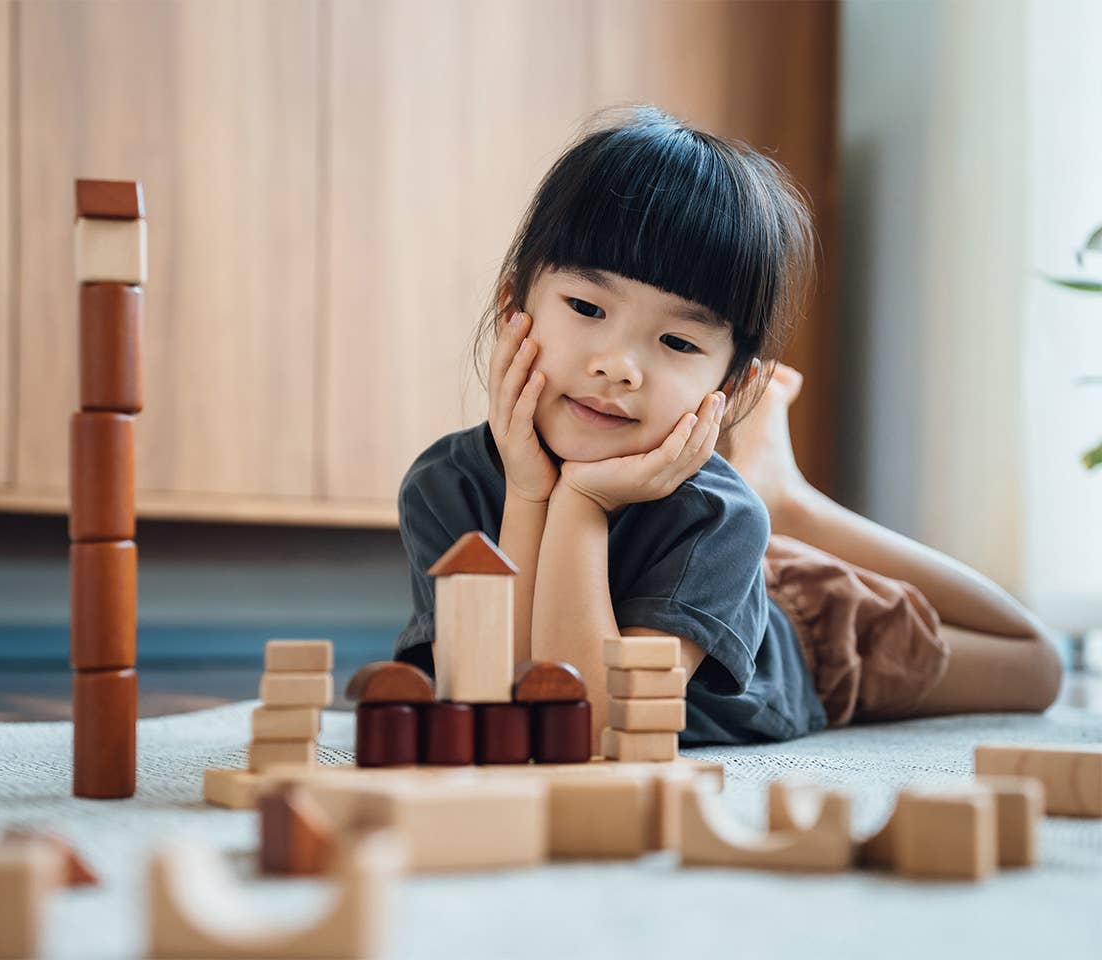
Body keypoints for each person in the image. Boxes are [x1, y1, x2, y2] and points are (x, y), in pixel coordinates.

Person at [393, 103, 1063, 748]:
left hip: (807, 639)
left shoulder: (717, 516)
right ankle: (776, 493)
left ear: (731, 384)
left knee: (1036, 665)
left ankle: (785, 499)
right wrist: (530, 492)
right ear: (515, 304)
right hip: (725, 568)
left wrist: (579, 501)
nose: (619, 366)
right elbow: (497, 702)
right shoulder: (441, 487)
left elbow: (592, 723)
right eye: (585, 306)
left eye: (678, 343)